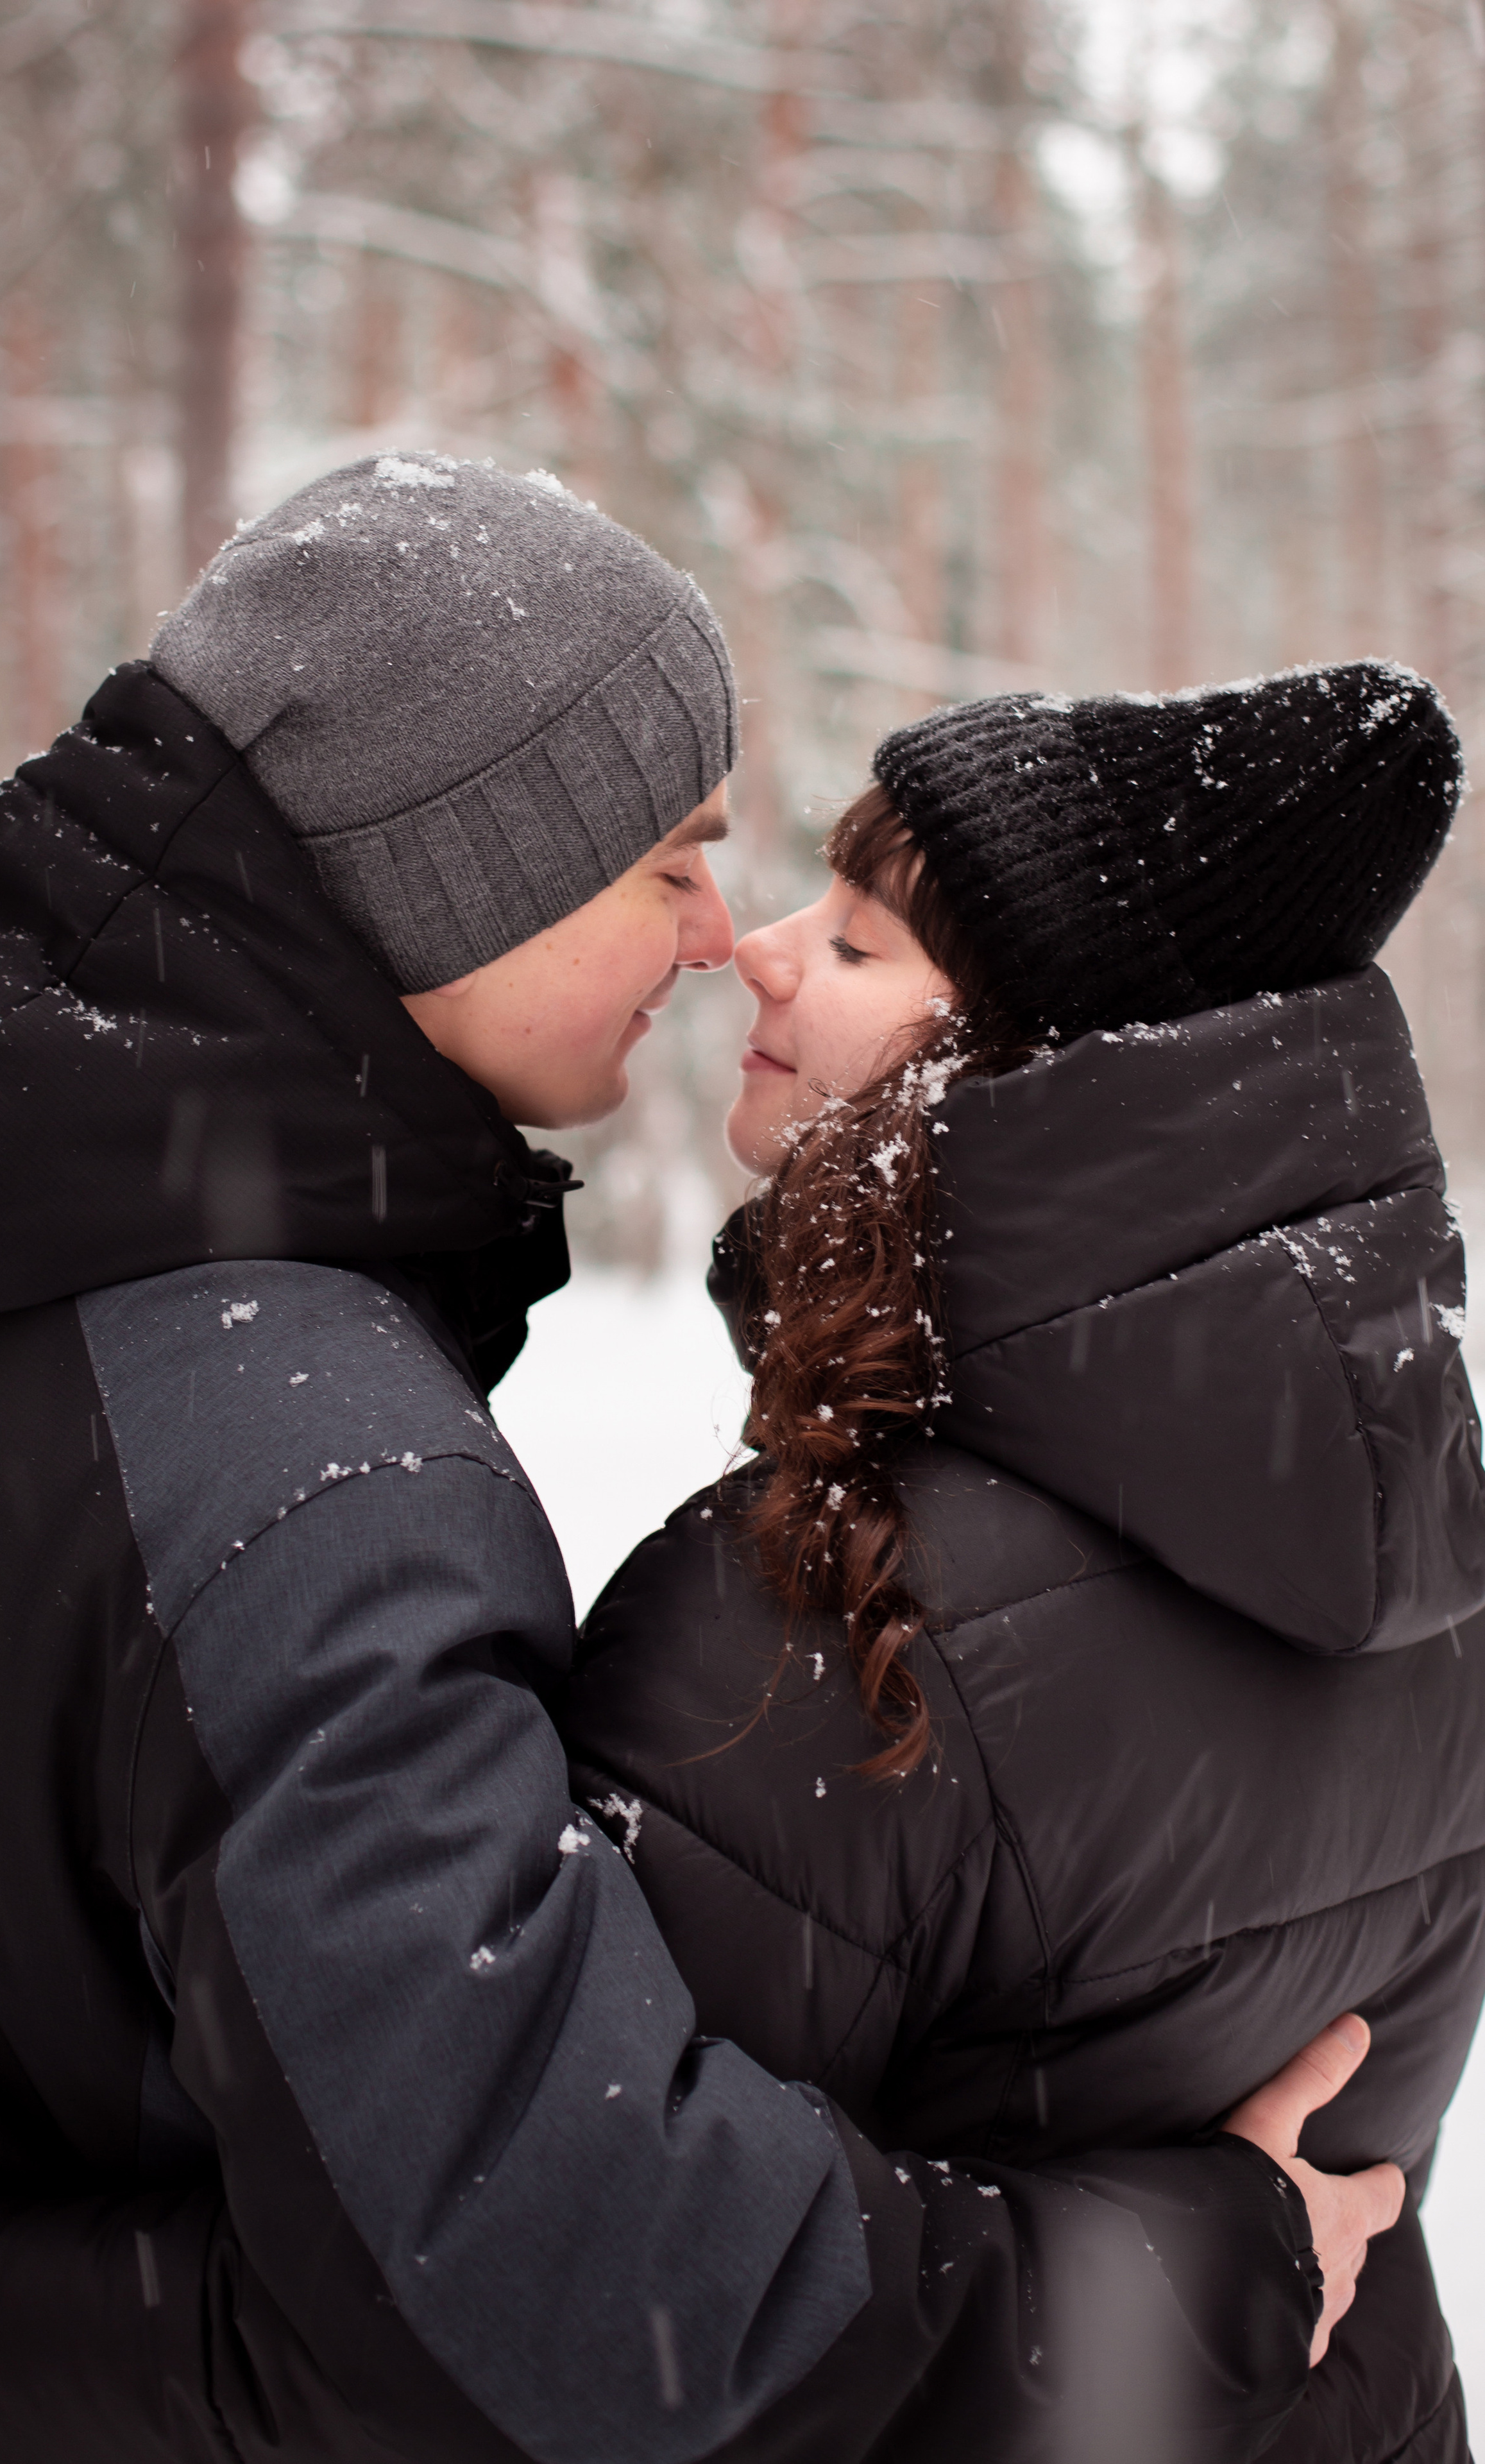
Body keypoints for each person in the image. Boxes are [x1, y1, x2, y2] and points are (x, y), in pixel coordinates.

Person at [0, 459, 1391, 2464]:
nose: (707, 941)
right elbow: (563, 2294)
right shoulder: (295, 1453)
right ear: (455, 868)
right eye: (668, 861)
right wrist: (1177, 2282)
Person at [563, 662, 1485, 2464]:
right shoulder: (1432, 1554)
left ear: (1010, 1067)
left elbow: (611, 2308)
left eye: (852, 945)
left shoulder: (816, 1620)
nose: (755, 953)